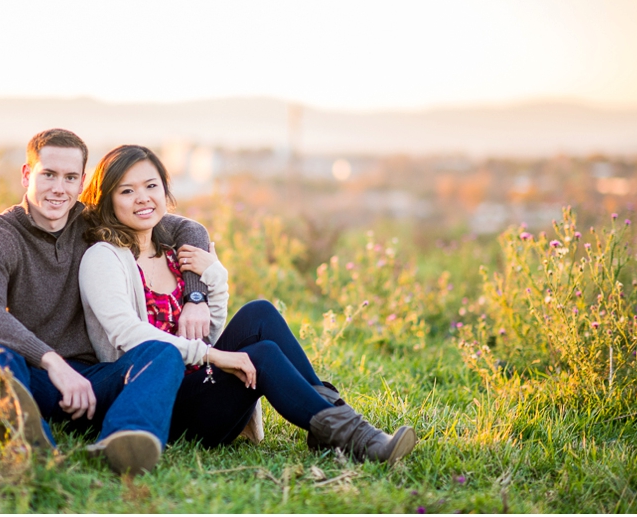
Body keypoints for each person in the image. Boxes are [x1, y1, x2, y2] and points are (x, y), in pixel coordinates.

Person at [78, 145, 416, 464]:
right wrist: (215, 356)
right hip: (163, 402)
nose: (142, 198)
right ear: (107, 201)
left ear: (166, 191)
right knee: (263, 353)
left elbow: (210, 330)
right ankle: (354, 437)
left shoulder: (173, 252)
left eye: (151, 185)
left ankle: (341, 424)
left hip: (203, 385)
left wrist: (215, 275)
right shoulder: (104, 258)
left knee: (259, 312)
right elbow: (126, 333)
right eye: (126, 191)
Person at [0, 128, 216, 475]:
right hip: (34, 376)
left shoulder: (91, 222)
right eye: (48, 174)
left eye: (69, 178)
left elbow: (189, 230)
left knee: (162, 353)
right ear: (26, 175)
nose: (58, 188)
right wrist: (54, 364)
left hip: (96, 382)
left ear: (82, 182)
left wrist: (195, 295)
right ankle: (30, 447)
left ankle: (125, 439)